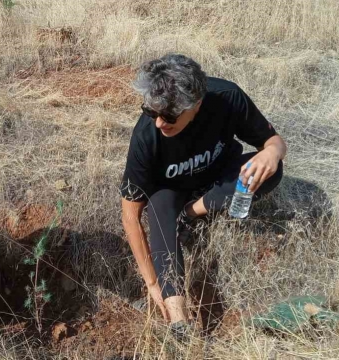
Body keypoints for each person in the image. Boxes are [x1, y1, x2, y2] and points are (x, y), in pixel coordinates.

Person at [120, 54, 287, 336]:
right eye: (152, 111)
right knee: (159, 209)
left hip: (218, 176)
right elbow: (130, 214)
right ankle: (179, 323)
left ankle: (191, 213)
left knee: (273, 171)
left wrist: (272, 153)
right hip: (169, 189)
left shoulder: (227, 97)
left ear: (196, 104)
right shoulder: (146, 136)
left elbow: (273, 142)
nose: (160, 122)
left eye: (170, 116)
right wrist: (151, 283)